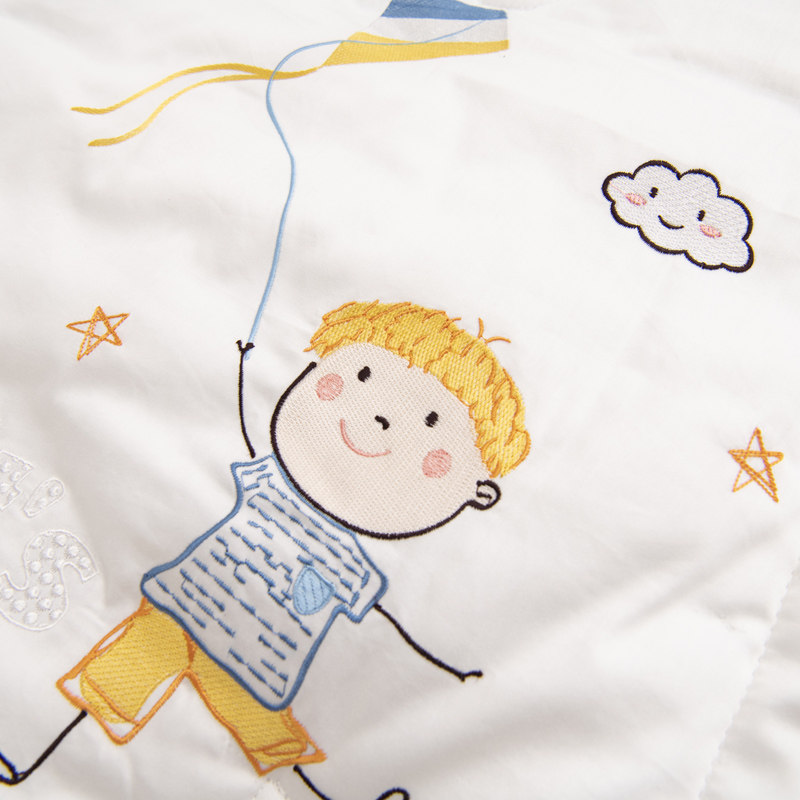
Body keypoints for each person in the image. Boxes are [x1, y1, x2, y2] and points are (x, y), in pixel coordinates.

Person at [0, 300, 530, 800]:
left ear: (477, 493)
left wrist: (446, 668)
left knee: (269, 743)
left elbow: (388, 622)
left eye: (432, 423)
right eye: (363, 376)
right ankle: (28, 759)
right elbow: (251, 434)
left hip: (256, 660)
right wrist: (243, 367)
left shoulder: (349, 565)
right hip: (181, 609)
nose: (379, 420)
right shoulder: (268, 483)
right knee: (108, 689)